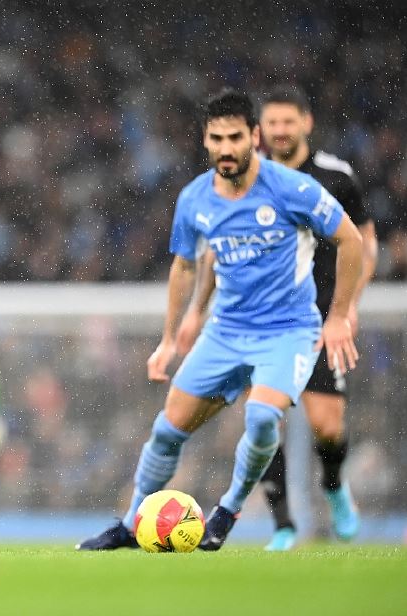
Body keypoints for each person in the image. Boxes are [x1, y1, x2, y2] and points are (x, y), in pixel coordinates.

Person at [77, 88, 363, 551]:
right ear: (205, 141)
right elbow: (185, 265)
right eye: (217, 138)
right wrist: (171, 336)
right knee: (167, 430)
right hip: (226, 332)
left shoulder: (291, 188)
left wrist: (340, 315)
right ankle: (130, 525)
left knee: (263, 415)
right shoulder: (194, 199)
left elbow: (352, 240)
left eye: (235, 137)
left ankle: (227, 511)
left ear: (254, 137)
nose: (226, 148)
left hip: (287, 332)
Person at [176, 86, 377, 550]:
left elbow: (363, 242)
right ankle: (284, 524)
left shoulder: (335, 177)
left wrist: (347, 308)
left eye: (289, 121)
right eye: (272, 123)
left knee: (328, 425)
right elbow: (213, 252)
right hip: (258, 323)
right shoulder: (242, 178)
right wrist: (195, 312)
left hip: (319, 319)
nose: (280, 130)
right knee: (263, 420)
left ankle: (333, 485)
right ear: (258, 130)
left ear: (306, 123)